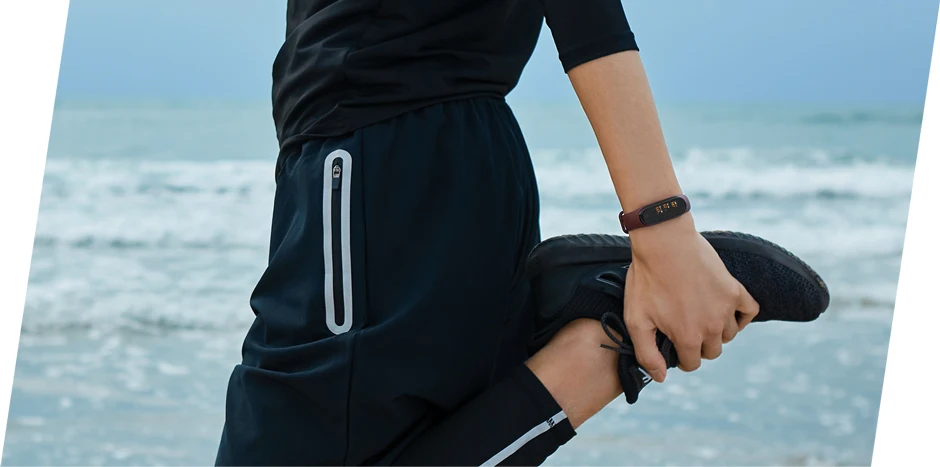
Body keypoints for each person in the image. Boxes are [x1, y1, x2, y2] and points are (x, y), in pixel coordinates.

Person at [214, 1, 762, 465]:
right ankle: (594, 354)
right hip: (391, 163)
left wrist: (662, 228)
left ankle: (597, 351)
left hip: (384, 162)